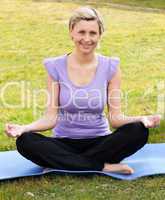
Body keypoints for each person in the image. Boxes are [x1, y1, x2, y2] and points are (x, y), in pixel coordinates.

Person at [5, 7, 161, 174]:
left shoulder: (110, 67)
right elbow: (50, 118)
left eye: (93, 33)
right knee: (25, 141)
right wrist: (24, 128)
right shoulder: (55, 67)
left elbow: (115, 119)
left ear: (100, 35)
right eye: (81, 32)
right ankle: (102, 166)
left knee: (138, 131)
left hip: (101, 143)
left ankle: (64, 162)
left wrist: (142, 118)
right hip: (64, 142)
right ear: (71, 32)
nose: (87, 39)